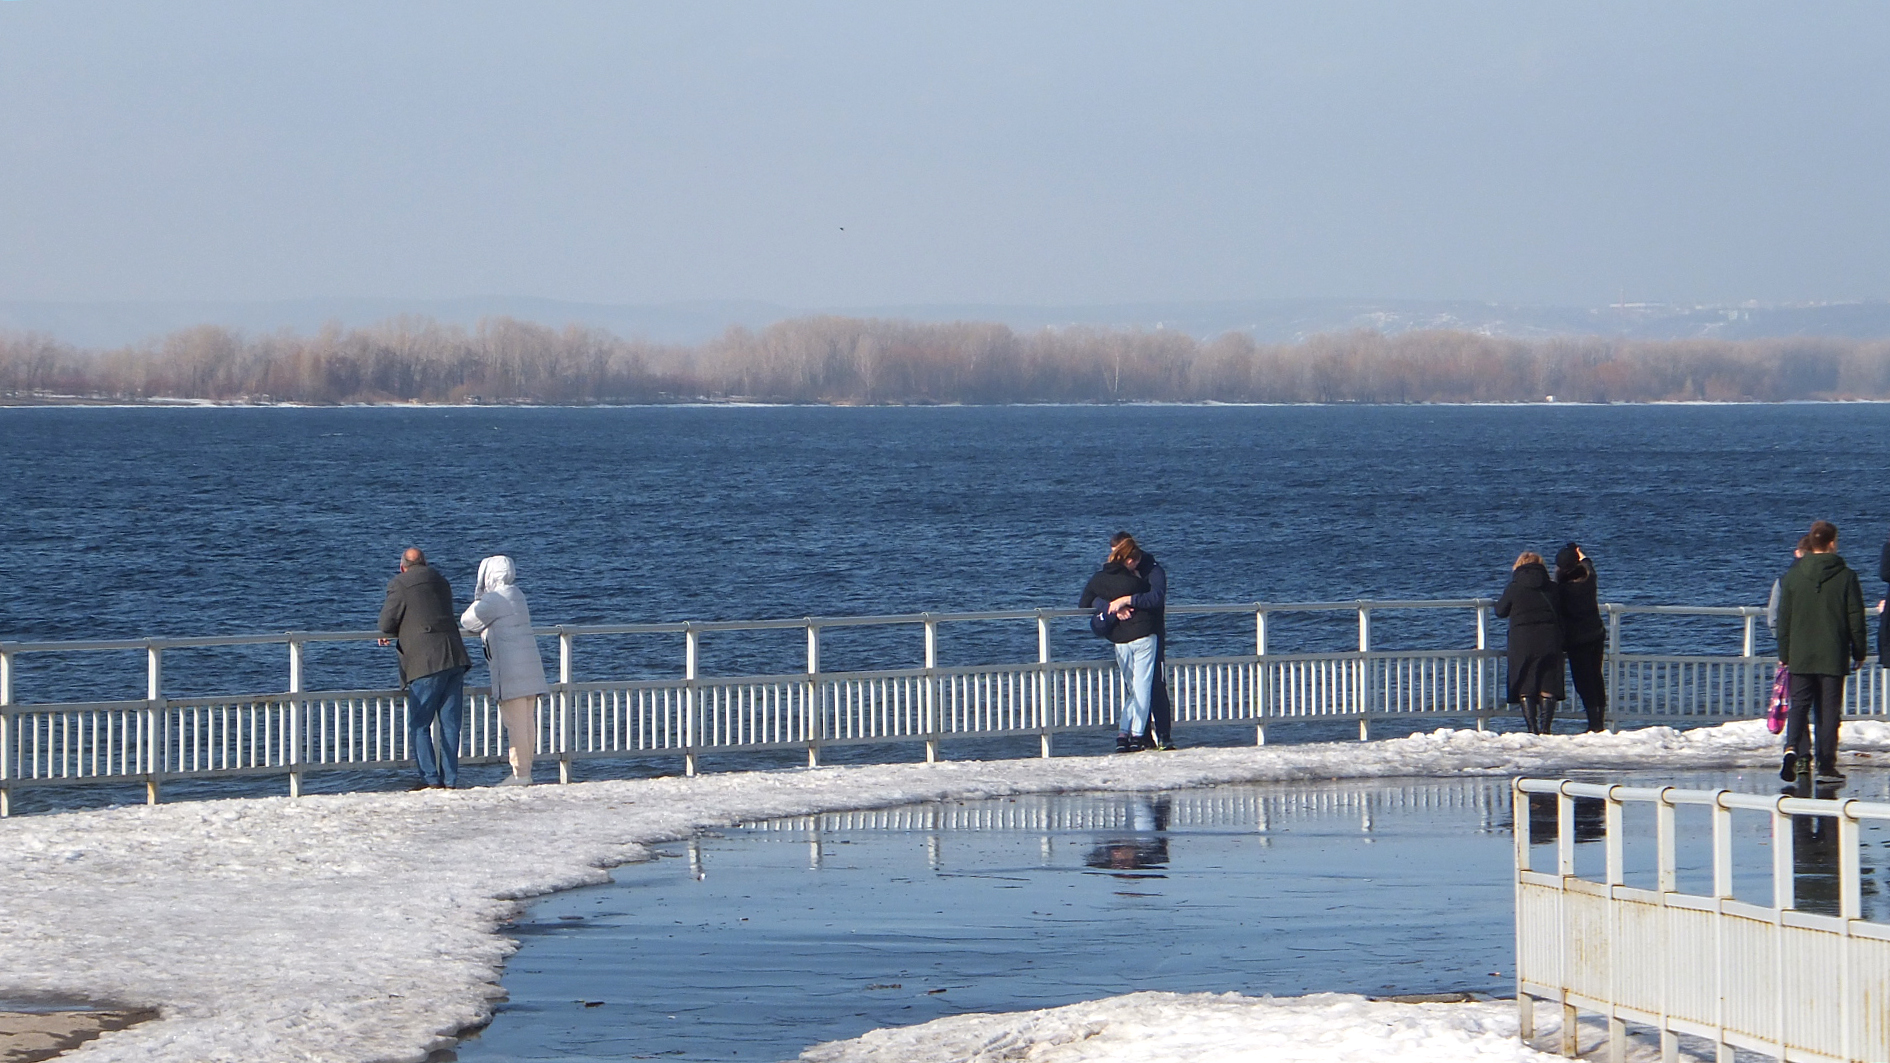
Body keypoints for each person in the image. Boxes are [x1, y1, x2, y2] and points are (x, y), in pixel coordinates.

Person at [1775, 520, 1867, 784]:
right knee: (1828, 713)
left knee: (1799, 706)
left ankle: (1792, 748)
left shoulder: (1793, 576)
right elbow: (1855, 618)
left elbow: (1784, 619)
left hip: (1800, 654)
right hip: (1832, 653)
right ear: (1831, 543)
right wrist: (1859, 651)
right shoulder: (1846, 576)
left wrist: (1785, 652)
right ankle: (1826, 766)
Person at [378, 547, 473, 789]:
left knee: (419, 724)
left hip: (426, 661)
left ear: (402, 566)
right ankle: (450, 779)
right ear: (425, 562)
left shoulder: (399, 583)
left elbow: (387, 621)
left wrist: (387, 633)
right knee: (450, 724)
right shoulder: (441, 580)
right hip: (454, 656)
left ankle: (430, 779)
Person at [460, 555, 551, 786]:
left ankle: (521, 774)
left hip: (511, 672)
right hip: (528, 668)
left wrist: (479, 598)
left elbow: (468, 620)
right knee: (527, 723)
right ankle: (525, 770)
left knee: (515, 723)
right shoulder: (517, 594)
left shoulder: (495, 599)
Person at [1081, 536, 1160, 752]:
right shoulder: (1136, 582)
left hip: (1119, 639)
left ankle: (1122, 735)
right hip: (1143, 634)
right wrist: (1123, 601)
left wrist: (1109, 606)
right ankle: (1135, 735)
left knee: (1133, 689)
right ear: (1129, 561)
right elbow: (1155, 597)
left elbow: (1084, 602)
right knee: (1142, 687)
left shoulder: (1098, 579)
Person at [1109, 531, 1176, 751]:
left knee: (1155, 684)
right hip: (1128, 634)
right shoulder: (1118, 572)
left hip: (1151, 633)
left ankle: (1163, 735)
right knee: (1135, 686)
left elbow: (1157, 596)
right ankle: (1143, 734)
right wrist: (1112, 609)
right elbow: (1096, 594)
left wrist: (1129, 600)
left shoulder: (1153, 570)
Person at [1495, 551, 1565, 734]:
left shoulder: (1515, 587)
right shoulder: (1552, 587)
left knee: (1526, 681)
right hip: (1550, 637)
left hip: (1523, 639)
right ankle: (1546, 728)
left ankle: (1532, 729)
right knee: (1548, 681)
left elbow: (1500, 611)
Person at [1553, 543, 1607, 732]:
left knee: (1584, 682)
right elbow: (1588, 564)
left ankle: (1593, 723)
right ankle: (1599, 720)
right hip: (1596, 634)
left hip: (1577, 639)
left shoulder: (1562, 589)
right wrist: (1580, 554)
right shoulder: (1589, 579)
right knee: (1596, 677)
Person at [1765, 537, 1809, 633]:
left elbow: (1773, 619)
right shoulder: (1837, 578)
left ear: (1797, 553)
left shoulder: (1783, 581)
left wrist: (1784, 642)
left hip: (1793, 641)